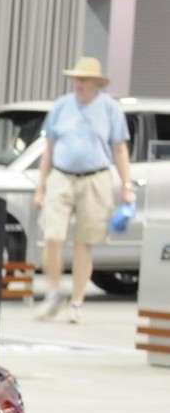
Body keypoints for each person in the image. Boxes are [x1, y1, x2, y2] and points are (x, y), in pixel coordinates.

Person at [34, 55, 135, 322]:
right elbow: (49, 149)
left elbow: (120, 150)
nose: (79, 84)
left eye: (84, 79)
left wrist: (127, 186)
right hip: (62, 175)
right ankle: (53, 292)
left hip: (95, 178)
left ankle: (77, 302)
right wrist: (41, 187)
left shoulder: (110, 109)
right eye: (76, 79)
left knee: (84, 243)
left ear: (95, 83)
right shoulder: (61, 106)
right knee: (53, 237)